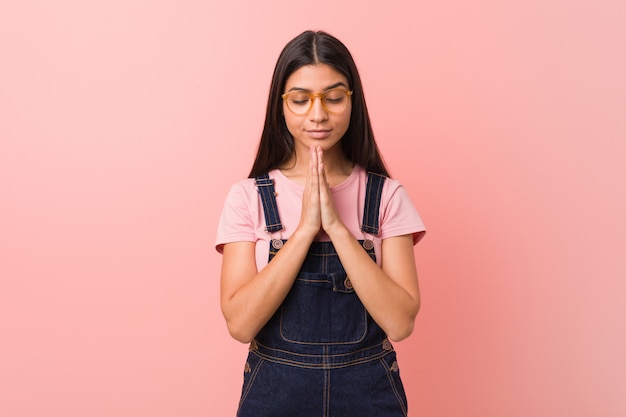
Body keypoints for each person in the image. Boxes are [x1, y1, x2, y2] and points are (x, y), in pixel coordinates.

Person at [215, 30, 426, 417]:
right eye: (300, 100)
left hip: (368, 398)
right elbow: (241, 325)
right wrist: (305, 231)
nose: (317, 114)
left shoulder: (387, 196)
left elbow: (400, 323)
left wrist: (337, 226)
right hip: (274, 398)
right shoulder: (247, 198)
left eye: (333, 98)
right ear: (281, 106)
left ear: (352, 101)